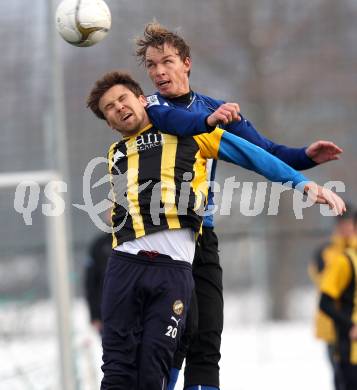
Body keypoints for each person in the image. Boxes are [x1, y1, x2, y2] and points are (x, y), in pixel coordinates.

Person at [86, 71, 344, 389]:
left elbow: (256, 155)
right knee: (116, 366)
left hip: (171, 268)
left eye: (122, 98)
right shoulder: (116, 154)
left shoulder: (193, 133)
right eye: (110, 108)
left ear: (143, 100)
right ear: (109, 122)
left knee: (155, 362)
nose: (118, 107)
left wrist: (303, 183)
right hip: (124, 264)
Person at [309, 208, 357, 390]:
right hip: (335, 327)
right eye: (343, 223)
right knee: (341, 374)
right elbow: (325, 288)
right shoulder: (330, 253)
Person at [84, 231, 112, 334]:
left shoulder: (140, 242)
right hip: (107, 315)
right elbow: (90, 284)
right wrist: (94, 315)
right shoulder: (99, 245)